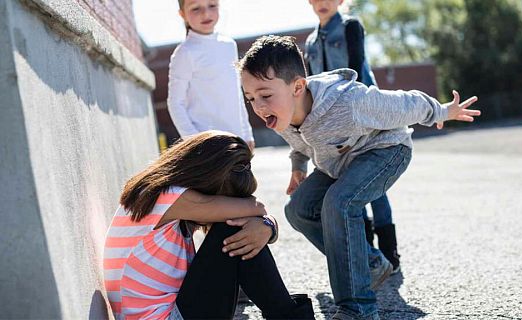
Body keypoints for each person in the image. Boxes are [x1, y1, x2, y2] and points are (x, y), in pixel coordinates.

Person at [237, 36, 480, 320]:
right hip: (340, 162)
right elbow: (299, 142)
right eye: (250, 98)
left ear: (298, 87)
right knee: (298, 210)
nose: (259, 106)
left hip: (386, 150)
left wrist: (441, 111)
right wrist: (298, 168)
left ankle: (359, 309)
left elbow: (404, 103)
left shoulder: (348, 102)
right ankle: (370, 263)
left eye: (265, 95)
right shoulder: (281, 111)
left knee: (339, 203)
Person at [103, 131, 315, 319]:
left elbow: (257, 213)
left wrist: (267, 227)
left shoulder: (160, 197)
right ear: (206, 180)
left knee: (239, 228)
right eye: (225, 200)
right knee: (233, 228)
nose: (224, 209)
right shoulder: (168, 197)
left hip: (172, 312)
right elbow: (256, 207)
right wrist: (265, 223)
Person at [304, 0, 400, 271]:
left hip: (364, 115)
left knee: (373, 184)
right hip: (331, 124)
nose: (322, 3)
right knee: (349, 183)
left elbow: (357, 68)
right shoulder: (310, 42)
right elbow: (310, 85)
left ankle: (389, 253)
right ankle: (367, 251)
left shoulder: (350, 27)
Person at [167, 0, 255, 150]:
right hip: (208, 146)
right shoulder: (185, 53)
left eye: (212, 5)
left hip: (237, 140)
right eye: (195, 8)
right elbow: (175, 103)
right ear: (182, 14)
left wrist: (247, 134)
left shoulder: (229, 45)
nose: (206, 13)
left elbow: (236, 94)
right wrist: (195, 142)